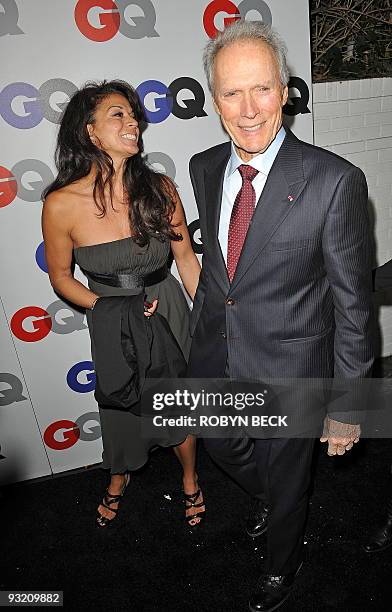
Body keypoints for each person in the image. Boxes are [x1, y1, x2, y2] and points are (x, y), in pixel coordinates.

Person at [188, 20, 374, 611]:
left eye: (262, 89)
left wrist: (346, 406)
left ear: (286, 91)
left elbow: (352, 303)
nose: (247, 110)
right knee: (224, 449)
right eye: (231, 93)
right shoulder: (204, 167)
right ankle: (275, 500)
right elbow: (227, 273)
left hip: (293, 367)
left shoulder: (333, 181)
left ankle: (281, 566)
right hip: (216, 357)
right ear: (214, 99)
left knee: (290, 477)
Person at [42, 80, 205, 528]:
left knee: (176, 401)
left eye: (133, 114)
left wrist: (212, 316)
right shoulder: (61, 204)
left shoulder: (160, 188)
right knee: (120, 408)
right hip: (111, 315)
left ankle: (190, 478)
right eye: (118, 114)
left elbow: (187, 260)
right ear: (90, 132)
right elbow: (59, 277)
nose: (132, 121)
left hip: (167, 306)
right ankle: (119, 477)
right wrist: (105, 308)